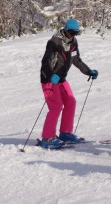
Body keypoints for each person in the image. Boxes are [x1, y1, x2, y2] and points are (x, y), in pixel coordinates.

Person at [38, 18, 98, 149]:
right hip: (49, 79)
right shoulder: (54, 41)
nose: (73, 35)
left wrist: (89, 72)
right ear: (65, 30)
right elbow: (45, 61)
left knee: (71, 102)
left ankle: (65, 133)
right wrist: (50, 75)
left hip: (61, 79)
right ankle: (47, 138)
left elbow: (76, 60)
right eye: (71, 32)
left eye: (76, 33)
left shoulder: (73, 42)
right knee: (56, 107)